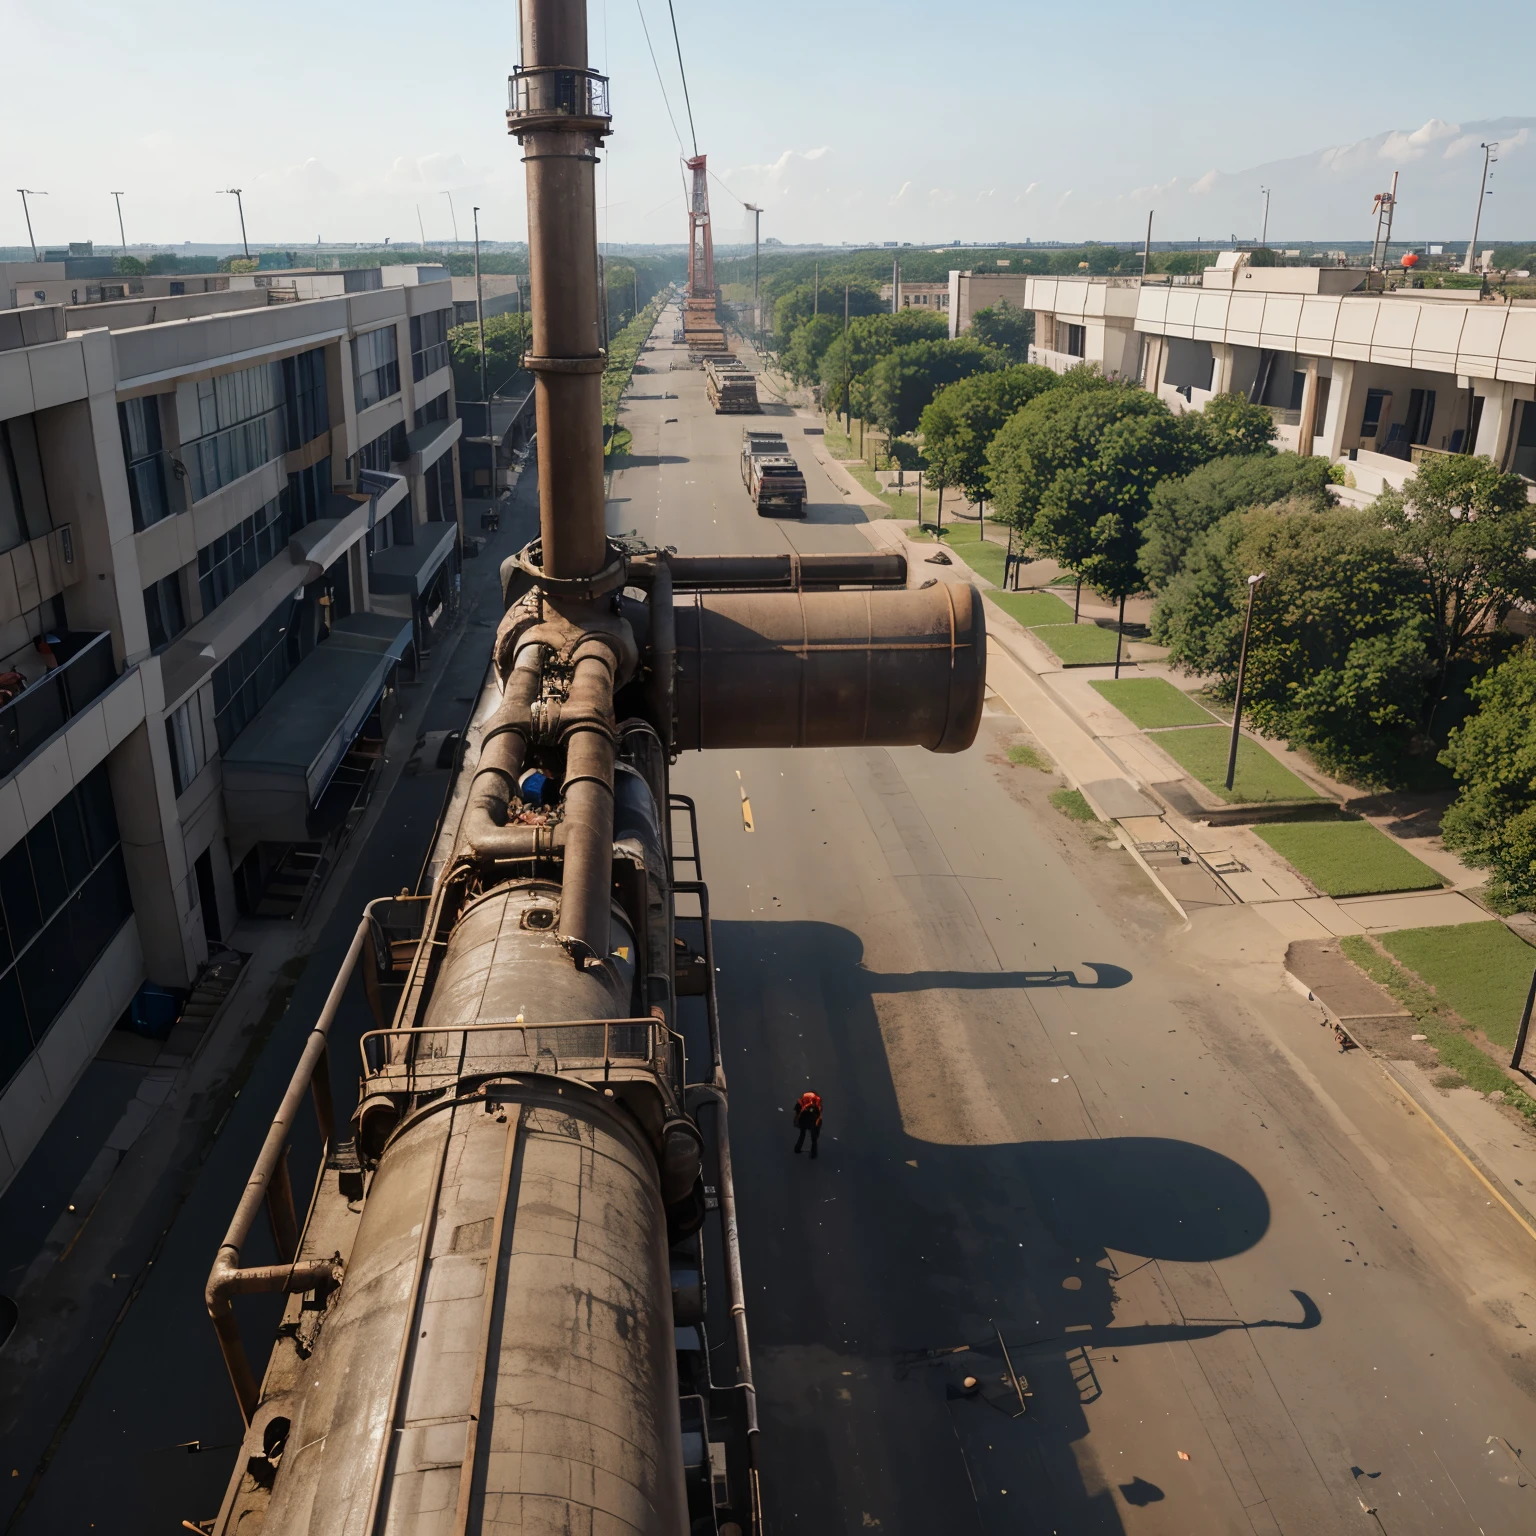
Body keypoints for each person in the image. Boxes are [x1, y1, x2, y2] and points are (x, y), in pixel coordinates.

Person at [792, 1090, 822, 1158]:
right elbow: (818, 1114)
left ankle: (797, 1149)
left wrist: (796, 1120)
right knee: (813, 1137)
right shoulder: (815, 1103)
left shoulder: (803, 1102)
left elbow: (797, 1110)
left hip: (803, 1121)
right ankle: (813, 1154)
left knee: (802, 1134)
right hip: (811, 1123)